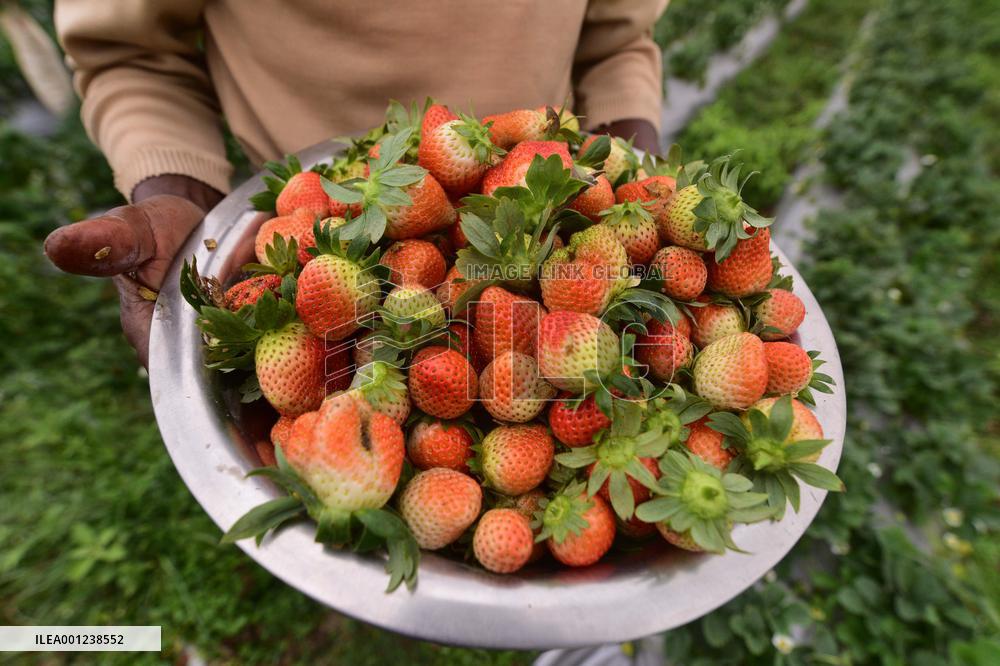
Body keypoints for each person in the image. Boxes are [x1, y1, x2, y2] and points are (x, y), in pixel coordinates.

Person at [44, 0, 666, 367]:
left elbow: (619, 35)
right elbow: (131, 52)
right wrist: (185, 204)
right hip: (313, 223)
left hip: (558, 195)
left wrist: (623, 179)